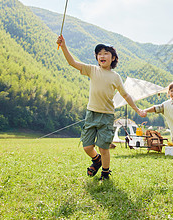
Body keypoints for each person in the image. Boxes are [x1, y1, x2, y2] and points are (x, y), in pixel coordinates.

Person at [57, 35, 146, 180]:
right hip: (91, 113)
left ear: (113, 58)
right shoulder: (92, 70)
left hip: (106, 115)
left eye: (106, 53)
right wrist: (64, 46)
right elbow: (71, 62)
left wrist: (137, 109)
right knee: (87, 147)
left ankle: (105, 173)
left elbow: (126, 95)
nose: (102, 56)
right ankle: (96, 160)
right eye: (99, 53)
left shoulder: (115, 77)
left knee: (104, 147)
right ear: (96, 57)